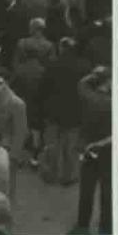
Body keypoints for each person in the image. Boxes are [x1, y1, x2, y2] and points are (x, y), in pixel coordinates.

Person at [39, 37, 87, 186]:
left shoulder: (52, 65)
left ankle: (51, 173)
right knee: (70, 146)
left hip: (54, 111)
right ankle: (69, 175)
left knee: (52, 144)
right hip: (75, 111)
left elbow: (43, 88)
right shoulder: (83, 66)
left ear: (61, 48)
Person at [72, 67, 112, 235]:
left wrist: (94, 74)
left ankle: (82, 226)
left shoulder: (87, 97)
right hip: (107, 150)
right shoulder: (113, 103)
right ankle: (105, 227)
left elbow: (82, 82)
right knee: (107, 191)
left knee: (86, 190)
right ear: (108, 82)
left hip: (88, 150)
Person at [0, 69, 29, 199]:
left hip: (6, 151)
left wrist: (14, 156)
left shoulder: (17, 104)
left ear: (7, 83)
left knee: (4, 187)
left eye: (0, 83)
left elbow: (20, 132)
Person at [10, 18, 55, 158]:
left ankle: (21, 143)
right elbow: (51, 65)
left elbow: (15, 63)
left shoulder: (22, 43)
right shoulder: (49, 45)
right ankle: (36, 145)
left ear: (32, 28)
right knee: (37, 115)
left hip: (23, 80)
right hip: (40, 82)